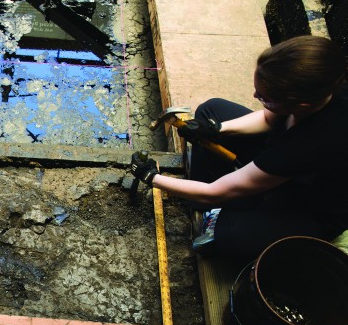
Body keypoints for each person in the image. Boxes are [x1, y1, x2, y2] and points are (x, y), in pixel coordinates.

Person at [131, 35, 348, 258]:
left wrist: (151, 177)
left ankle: (233, 208)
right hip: (286, 168)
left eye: (264, 97)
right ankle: (215, 201)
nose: (255, 96)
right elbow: (267, 119)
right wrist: (215, 128)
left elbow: (213, 192)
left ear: (301, 105)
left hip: (310, 204)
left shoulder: (305, 146)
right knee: (211, 109)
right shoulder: (327, 85)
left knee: (229, 235)